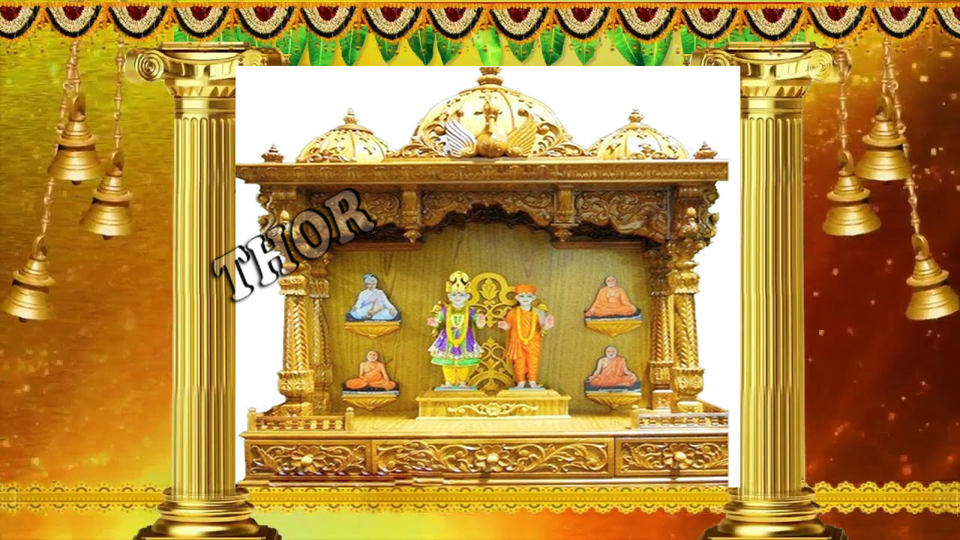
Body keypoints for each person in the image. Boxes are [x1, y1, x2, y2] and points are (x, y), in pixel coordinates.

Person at [428, 271, 486, 388]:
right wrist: (434, 323)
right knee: (447, 363)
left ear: (467, 296)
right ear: (449, 296)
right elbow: (438, 322)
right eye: (454, 295)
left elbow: (479, 324)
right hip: (447, 340)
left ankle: (462, 382)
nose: (457, 298)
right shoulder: (444, 311)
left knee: (464, 362)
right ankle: (448, 382)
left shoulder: (470, 311)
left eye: (461, 295)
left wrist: (480, 320)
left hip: (465, 340)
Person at [498, 284, 554, 389]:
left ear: (533, 298)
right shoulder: (513, 312)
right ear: (517, 298)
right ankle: (521, 382)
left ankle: (533, 382)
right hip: (517, 341)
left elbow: (543, 327)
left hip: (533, 341)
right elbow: (508, 325)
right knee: (519, 362)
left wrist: (547, 325)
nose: (525, 299)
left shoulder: (539, 312)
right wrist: (505, 326)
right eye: (522, 296)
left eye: (528, 296)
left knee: (533, 361)